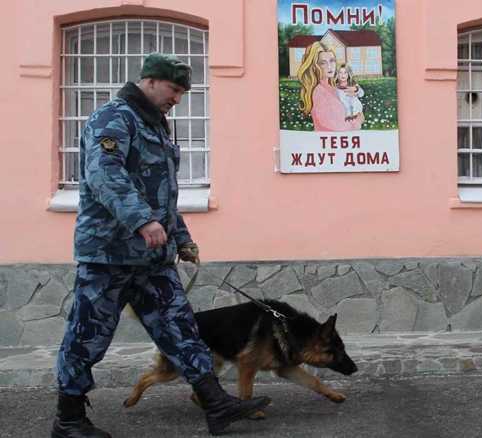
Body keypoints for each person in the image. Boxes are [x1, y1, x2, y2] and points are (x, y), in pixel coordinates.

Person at [51, 53, 270, 438]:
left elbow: (163, 195)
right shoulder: (113, 117)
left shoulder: (157, 126)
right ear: (150, 81)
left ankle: (216, 404)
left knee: (181, 328)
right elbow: (104, 175)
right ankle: (68, 420)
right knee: (87, 337)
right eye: (174, 90)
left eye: (184, 92)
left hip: (152, 258)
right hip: (108, 256)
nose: (178, 99)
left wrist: (181, 237)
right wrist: (142, 220)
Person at [297, 42, 364, 131]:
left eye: (332, 61)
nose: (330, 66)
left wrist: (356, 90)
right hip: (328, 140)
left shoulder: (332, 88)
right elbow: (336, 126)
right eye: (323, 63)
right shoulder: (319, 92)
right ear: (314, 67)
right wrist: (357, 121)